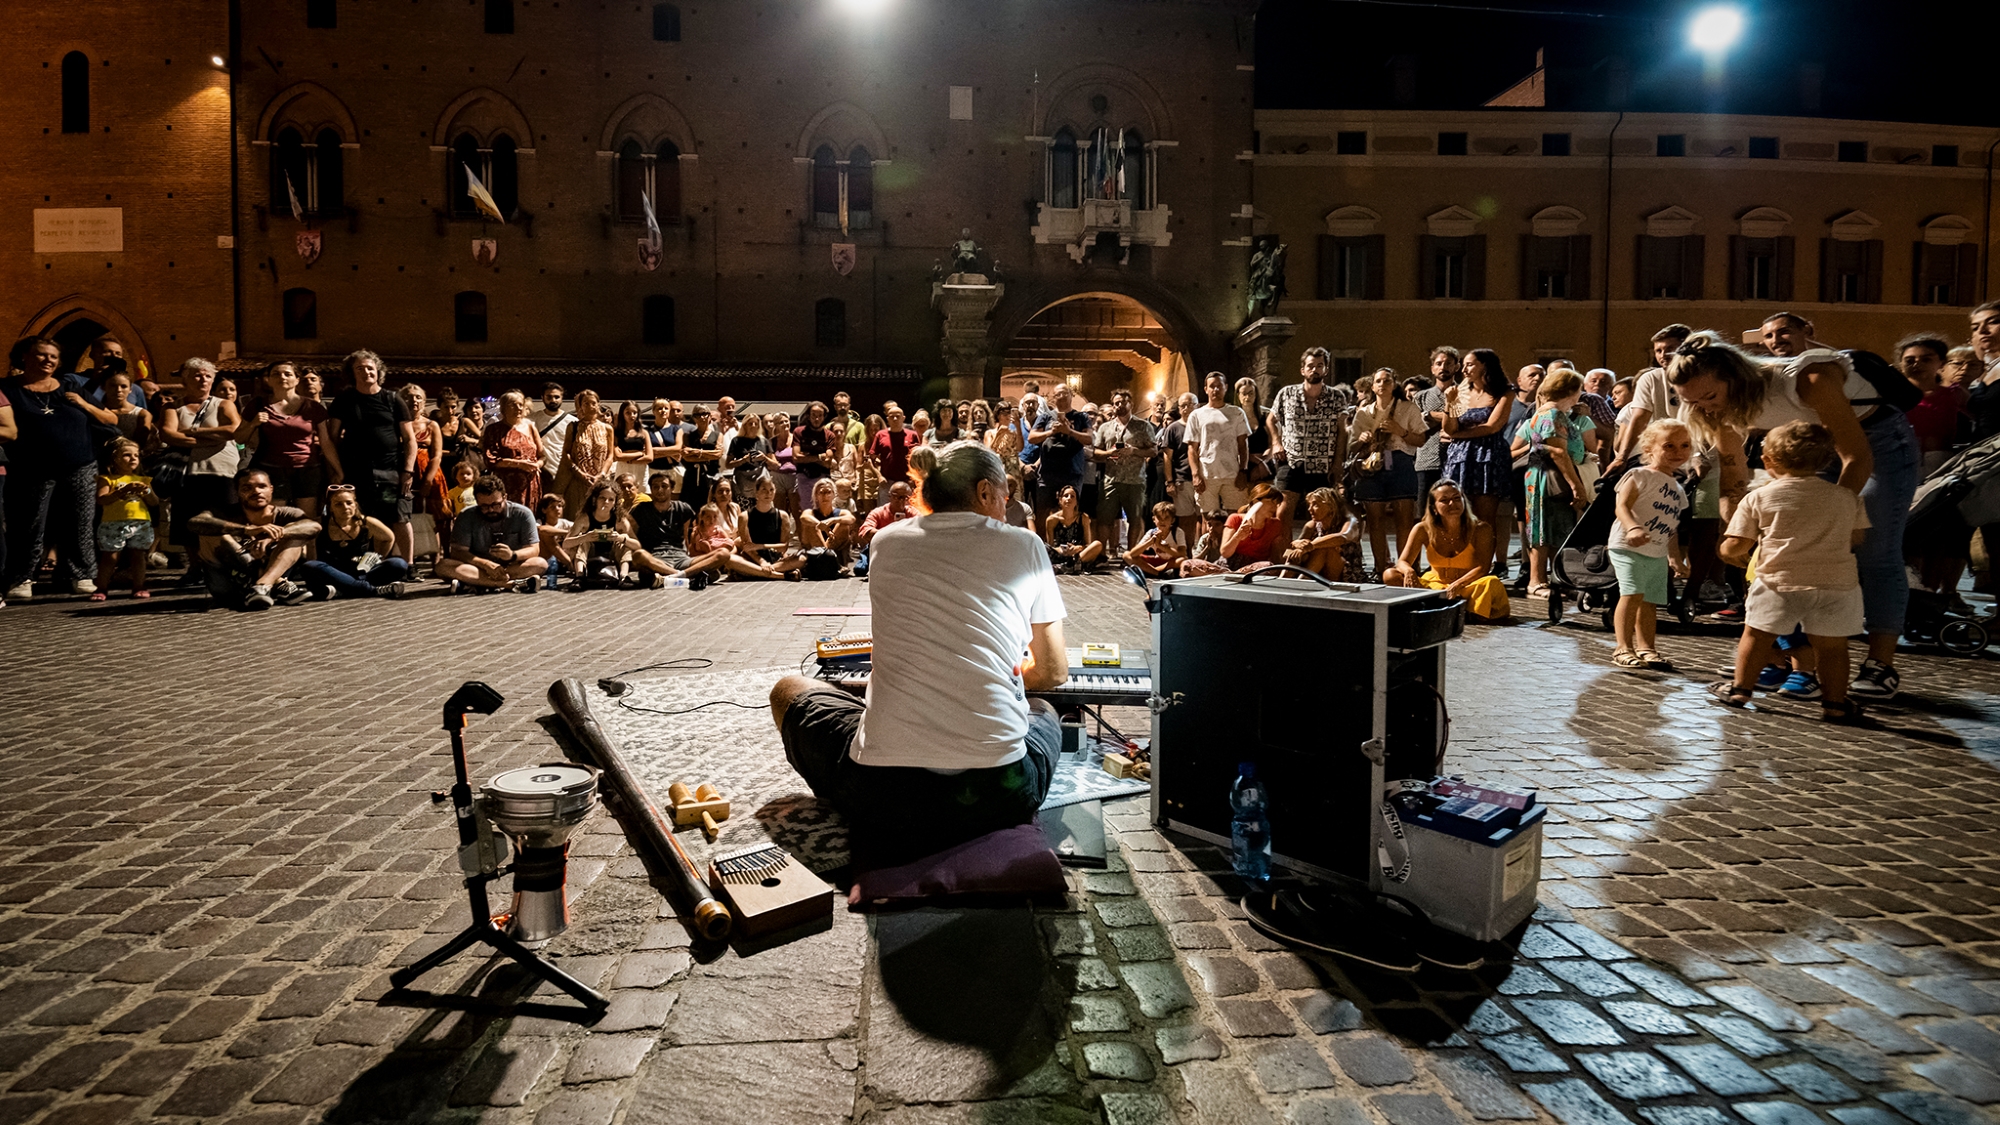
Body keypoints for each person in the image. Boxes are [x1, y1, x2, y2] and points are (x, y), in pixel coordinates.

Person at [766, 440, 1068, 865]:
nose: (1006, 506)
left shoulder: (885, 543)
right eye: (1004, 496)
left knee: (788, 689)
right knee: (1044, 712)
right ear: (984, 492)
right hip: (997, 796)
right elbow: (1053, 672)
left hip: (884, 798)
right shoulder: (1025, 545)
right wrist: (1005, 674)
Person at [1674, 317, 1915, 701]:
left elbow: (1856, 456)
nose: (1705, 408)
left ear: (1734, 378)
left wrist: (1829, 520)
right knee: (1788, 562)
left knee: (1875, 550)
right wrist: (1738, 528)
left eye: (1710, 398)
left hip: (1876, 441)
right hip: (1809, 447)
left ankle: (1880, 665)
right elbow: (1733, 473)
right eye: (1692, 402)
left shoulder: (1809, 376)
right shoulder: (1713, 408)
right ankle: (1783, 660)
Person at [1712, 422, 1869, 723]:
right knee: (1833, 648)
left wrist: (1733, 555)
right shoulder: (1846, 497)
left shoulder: (1759, 497)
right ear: (1825, 460)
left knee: (1756, 636)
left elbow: (1735, 545)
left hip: (1778, 581)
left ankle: (1740, 690)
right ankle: (1835, 704)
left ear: (1768, 461)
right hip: (1837, 584)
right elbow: (1857, 537)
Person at [3, 337, 102, 599]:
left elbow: (103, 414)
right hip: (31, 468)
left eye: (53, 357)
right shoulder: (9, 389)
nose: (48, 360)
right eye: (41, 355)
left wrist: (83, 404)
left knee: (79, 521)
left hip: (80, 463)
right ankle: (22, 577)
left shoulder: (70, 386)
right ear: (24, 356)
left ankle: (80, 574)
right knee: (30, 523)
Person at [1606, 421, 1693, 672]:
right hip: (1627, 546)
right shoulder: (1639, 475)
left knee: (1650, 601)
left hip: (1655, 551)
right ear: (1649, 448)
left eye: (1685, 445)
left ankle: (1646, 648)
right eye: (1669, 446)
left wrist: (1674, 557)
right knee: (1631, 594)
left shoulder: (1678, 488)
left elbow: (1671, 526)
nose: (1678, 451)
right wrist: (1633, 527)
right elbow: (1622, 505)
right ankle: (1622, 647)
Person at [321, 350, 417, 563]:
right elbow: (332, 438)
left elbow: (410, 439)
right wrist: (336, 471)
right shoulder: (344, 399)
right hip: (356, 471)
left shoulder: (393, 399)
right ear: (352, 373)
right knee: (361, 518)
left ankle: (409, 565)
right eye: (360, 368)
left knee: (399, 517)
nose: (366, 372)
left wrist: (408, 471)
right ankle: (366, 563)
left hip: (391, 471)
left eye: (370, 368)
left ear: (378, 371)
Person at [187, 468, 320, 610]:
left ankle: (263, 584)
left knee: (297, 533)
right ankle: (275, 583)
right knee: (210, 531)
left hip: (262, 588)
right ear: (237, 491)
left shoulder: (287, 513)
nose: (256, 492)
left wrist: (272, 536)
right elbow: (195, 523)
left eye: (262, 486)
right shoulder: (223, 512)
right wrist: (245, 530)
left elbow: (314, 527)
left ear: (271, 489)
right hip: (227, 585)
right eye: (247, 488)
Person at [1515, 368, 1594, 599]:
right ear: (1569, 391)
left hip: (1549, 475)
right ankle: (1536, 580)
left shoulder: (1550, 413)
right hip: (1547, 476)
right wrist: (1576, 485)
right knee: (1543, 527)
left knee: (1558, 526)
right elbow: (1558, 452)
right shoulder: (1552, 415)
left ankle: (1558, 578)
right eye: (1579, 390)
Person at [1381, 480, 1510, 621]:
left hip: (1469, 586)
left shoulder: (1481, 529)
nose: (1452, 504)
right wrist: (1409, 571)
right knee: (1390, 575)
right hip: (1435, 586)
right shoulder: (1422, 529)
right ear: (1434, 508)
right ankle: (1455, 609)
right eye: (1444, 500)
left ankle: (1455, 609)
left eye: (1456, 498)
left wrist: (1457, 585)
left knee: (1490, 583)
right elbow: (1402, 561)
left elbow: (1483, 568)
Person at [159, 359, 241, 578]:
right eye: (196, 375)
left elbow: (232, 430)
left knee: (223, 519)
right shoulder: (172, 407)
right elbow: (168, 434)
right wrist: (211, 437)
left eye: (207, 375)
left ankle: (224, 565)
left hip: (221, 472)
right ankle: (196, 567)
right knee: (188, 523)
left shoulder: (224, 404)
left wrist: (191, 432)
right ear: (185, 378)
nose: (202, 379)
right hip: (188, 472)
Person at [1439, 348, 1517, 578]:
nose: (1464, 368)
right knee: (1457, 513)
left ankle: (1483, 569)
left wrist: (1459, 436)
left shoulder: (1505, 392)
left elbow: (1492, 426)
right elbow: (1449, 428)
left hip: (1488, 456)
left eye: (1470, 364)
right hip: (1459, 458)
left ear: (1485, 365)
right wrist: (1449, 404)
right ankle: (1458, 564)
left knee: (1485, 517)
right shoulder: (1460, 392)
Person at [1348, 367, 1427, 574]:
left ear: (1394, 384)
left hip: (1399, 462)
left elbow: (1421, 439)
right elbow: (1351, 446)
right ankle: (1380, 567)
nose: (1382, 384)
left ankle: (1407, 566)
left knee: (1404, 519)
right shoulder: (1364, 413)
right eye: (1379, 381)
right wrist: (1361, 440)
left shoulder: (1408, 408)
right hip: (1371, 466)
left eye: (1387, 381)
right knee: (1375, 520)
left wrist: (1399, 431)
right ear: (1373, 386)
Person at [236, 360, 329, 517]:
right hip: (272, 469)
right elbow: (239, 438)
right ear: (269, 380)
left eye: (288, 374)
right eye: (276, 374)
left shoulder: (313, 407)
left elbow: (326, 442)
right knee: (273, 517)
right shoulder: (258, 405)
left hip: (307, 469)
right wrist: (253, 424)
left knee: (306, 519)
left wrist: (337, 470)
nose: (282, 377)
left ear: (297, 379)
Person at [1269, 349, 1346, 525]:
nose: (1315, 370)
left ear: (1325, 370)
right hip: (1291, 459)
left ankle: (1315, 550)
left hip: (1322, 463)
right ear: (1302, 369)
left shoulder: (1336, 397)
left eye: (1320, 366)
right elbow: (1271, 420)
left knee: (1322, 514)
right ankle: (1285, 551)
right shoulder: (1286, 393)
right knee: (1283, 511)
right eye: (1310, 366)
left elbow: (1342, 431)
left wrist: (1338, 462)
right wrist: (1276, 442)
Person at [297, 483, 412, 600]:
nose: (345, 507)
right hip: (334, 573)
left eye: (349, 503)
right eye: (338, 504)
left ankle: (347, 589)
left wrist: (377, 557)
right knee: (309, 566)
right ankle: (373, 590)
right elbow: (312, 556)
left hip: (361, 572)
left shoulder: (366, 522)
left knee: (399, 564)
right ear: (330, 507)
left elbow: (388, 538)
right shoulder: (320, 525)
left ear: (355, 504)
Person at [437, 473, 548, 594]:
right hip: (478, 567)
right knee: (443, 566)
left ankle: (475, 583)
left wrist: (512, 555)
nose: (490, 510)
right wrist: (485, 564)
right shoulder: (466, 516)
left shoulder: (523, 514)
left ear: (505, 497)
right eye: (484, 506)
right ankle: (507, 585)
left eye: (496, 505)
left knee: (540, 564)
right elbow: (458, 552)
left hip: (511, 567)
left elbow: (533, 549)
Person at [1610, 324, 1695, 472]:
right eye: (1658, 350)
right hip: (1664, 456)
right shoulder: (1650, 379)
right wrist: (1621, 458)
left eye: (1670, 349)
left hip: (1701, 454)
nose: (1663, 355)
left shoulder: (1705, 377)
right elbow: (1639, 418)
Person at [92, 438, 159, 600]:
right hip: (113, 523)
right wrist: (122, 491)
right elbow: (101, 499)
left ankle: (139, 586)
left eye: (136, 455)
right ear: (115, 458)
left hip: (140, 522)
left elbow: (155, 502)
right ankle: (101, 587)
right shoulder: (107, 479)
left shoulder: (144, 480)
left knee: (138, 555)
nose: (133, 458)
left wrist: (146, 492)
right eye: (127, 455)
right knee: (111, 556)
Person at [1090, 389, 1156, 552]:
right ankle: (1101, 554)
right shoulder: (1105, 427)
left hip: (1134, 480)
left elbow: (1153, 451)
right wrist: (1108, 453)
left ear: (1131, 404)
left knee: (1134, 519)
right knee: (1105, 518)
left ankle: (1131, 553)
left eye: (1123, 402)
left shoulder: (1143, 426)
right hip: (1111, 480)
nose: (1120, 405)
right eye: (1116, 403)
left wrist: (1134, 451)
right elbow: (1096, 452)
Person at [1181, 484, 1289, 575]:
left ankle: (1232, 577)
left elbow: (1276, 558)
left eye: (1277, 504)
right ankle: (1229, 576)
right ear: (1256, 501)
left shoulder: (1276, 525)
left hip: (1255, 568)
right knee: (1187, 565)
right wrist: (1238, 536)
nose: (1275, 508)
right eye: (1271, 502)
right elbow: (1225, 553)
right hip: (1227, 565)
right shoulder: (1235, 519)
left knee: (1267, 566)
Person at [1187, 372, 1252, 518]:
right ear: (1206, 389)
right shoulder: (1196, 415)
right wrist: (1196, 474)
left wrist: (1243, 470)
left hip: (1232, 473)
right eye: (1212, 386)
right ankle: (1208, 542)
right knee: (1209, 518)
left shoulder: (1236, 413)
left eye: (1219, 386)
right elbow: (1192, 448)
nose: (1215, 390)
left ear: (1225, 388)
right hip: (1207, 473)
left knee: (1236, 516)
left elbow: (1243, 444)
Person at [1028, 384, 1094, 524]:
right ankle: (1043, 544)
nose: (1062, 397)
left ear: (1071, 395)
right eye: (1058, 394)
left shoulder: (1081, 417)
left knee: (1071, 513)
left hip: (1072, 473)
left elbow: (1089, 439)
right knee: (1043, 512)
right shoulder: (1045, 417)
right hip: (1047, 474)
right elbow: (1032, 437)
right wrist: (1051, 432)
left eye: (1065, 393)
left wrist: (1069, 431)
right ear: (1053, 397)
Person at [1281, 486, 1365, 581]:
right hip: (1319, 569)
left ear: (1331, 507)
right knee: (1296, 554)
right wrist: (1296, 544)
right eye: (1309, 505)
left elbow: (1342, 537)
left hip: (1346, 572)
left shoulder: (1349, 522)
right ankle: (1282, 582)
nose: (1310, 509)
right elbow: (1292, 550)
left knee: (1324, 549)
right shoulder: (1311, 525)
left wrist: (1310, 546)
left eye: (1315, 505)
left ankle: (1301, 583)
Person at [556, 389, 615, 516]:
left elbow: (610, 455)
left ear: (598, 404)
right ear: (581, 406)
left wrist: (602, 474)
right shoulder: (573, 427)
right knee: (577, 516)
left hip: (600, 480)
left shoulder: (607, 428)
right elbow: (566, 452)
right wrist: (579, 472)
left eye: (593, 403)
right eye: (586, 403)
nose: (590, 406)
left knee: (600, 515)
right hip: (578, 479)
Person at [564, 480, 633, 588]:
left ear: (615, 503)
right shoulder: (584, 518)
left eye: (610, 499)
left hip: (611, 554)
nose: (606, 502)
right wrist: (585, 537)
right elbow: (566, 544)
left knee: (626, 541)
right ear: (594, 499)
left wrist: (620, 538)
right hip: (590, 553)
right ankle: (579, 576)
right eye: (602, 498)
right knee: (582, 541)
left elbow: (637, 544)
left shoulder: (620, 519)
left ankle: (624, 576)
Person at [482, 390, 544, 509]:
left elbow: (542, 456)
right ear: (504, 408)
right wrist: (518, 464)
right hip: (507, 482)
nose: (518, 408)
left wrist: (537, 465)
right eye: (513, 404)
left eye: (520, 404)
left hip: (530, 482)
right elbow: (490, 459)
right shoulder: (494, 430)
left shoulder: (530, 426)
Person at [1414, 347, 1462, 499]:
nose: (1443, 367)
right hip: (1426, 460)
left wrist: (1429, 415)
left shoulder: (1464, 394)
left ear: (1457, 367)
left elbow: (1464, 418)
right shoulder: (1421, 397)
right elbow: (1416, 425)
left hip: (1458, 459)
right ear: (1432, 368)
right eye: (1439, 363)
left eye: (1448, 363)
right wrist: (1449, 417)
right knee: (1425, 510)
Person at [404, 383, 448, 526]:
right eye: (409, 397)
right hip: (403, 474)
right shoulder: (396, 424)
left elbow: (437, 455)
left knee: (437, 517)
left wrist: (428, 481)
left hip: (428, 473)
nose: (414, 401)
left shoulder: (431, 425)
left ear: (423, 401)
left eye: (418, 397)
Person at [854, 480, 918, 576]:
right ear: (889, 496)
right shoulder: (878, 512)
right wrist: (891, 534)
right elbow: (865, 531)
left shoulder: (914, 513)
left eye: (904, 497)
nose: (900, 501)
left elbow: (924, 529)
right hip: (883, 551)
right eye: (896, 497)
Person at [1044, 483, 1106, 572]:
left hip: (1077, 555)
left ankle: (1069, 566)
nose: (1069, 498)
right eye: (1066, 496)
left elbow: (1088, 544)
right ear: (1060, 500)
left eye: (1072, 496)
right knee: (1044, 547)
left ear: (1076, 501)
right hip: (1060, 554)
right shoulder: (1051, 520)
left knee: (1097, 544)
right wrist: (1061, 550)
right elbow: (1051, 545)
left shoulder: (1083, 518)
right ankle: (1068, 566)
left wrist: (1077, 548)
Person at [530, 384, 574, 494]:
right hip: (540, 472)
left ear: (562, 398)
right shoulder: (532, 420)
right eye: (549, 397)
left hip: (563, 471)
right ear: (542, 397)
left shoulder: (572, 422)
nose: (553, 400)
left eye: (556, 397)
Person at [1123, 501, 1186, 577]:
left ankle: (1149, 571)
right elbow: (1133, 553)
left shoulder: (1177, 532)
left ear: (1172, 520)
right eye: (1159, 517)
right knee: (1126, 555)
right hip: (1156, 561)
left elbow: (1182, 554)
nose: (1162, 521)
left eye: (1166, 518)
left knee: (1182, 560)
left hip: (1170, 562)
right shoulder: (1151, 532)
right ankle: (1158, 573)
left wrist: (1161, 546)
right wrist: (1150, 542)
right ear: (1154, 519)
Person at [800, 477, 857, 560]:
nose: (825, 496)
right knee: (811, 525)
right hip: (813, 550)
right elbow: (804, 517)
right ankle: (826, 556)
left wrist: (832, 520)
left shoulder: (841, 512)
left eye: (828, 492)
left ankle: (825, 555)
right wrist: (822, 526)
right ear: (816, 496)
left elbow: (851, 518)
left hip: (834, 548)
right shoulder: (810, 512)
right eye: (821, 493)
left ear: (834, 495)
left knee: (843, 524)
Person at [727, 412, 777, 500]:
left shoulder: (763, 441)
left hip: (761, 482)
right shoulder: (736, 441)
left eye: (756, 423)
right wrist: (744, 460)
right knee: (745, 511)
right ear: (745, 425)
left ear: (759, 426)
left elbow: (776, 464)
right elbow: (728, 464)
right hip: (742, 482)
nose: (753, 426)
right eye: (750, 423)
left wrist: (764, 458)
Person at [535, 494, 574, 584]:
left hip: (561, 561)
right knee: (547, 536)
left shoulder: (565, 523)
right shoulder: (539, 522)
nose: (557, 509)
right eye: (552, 507)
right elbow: (542, 530)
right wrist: (566, 533)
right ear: (544, 510)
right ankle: (571, 566)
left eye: (559, 506)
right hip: (545, 560)